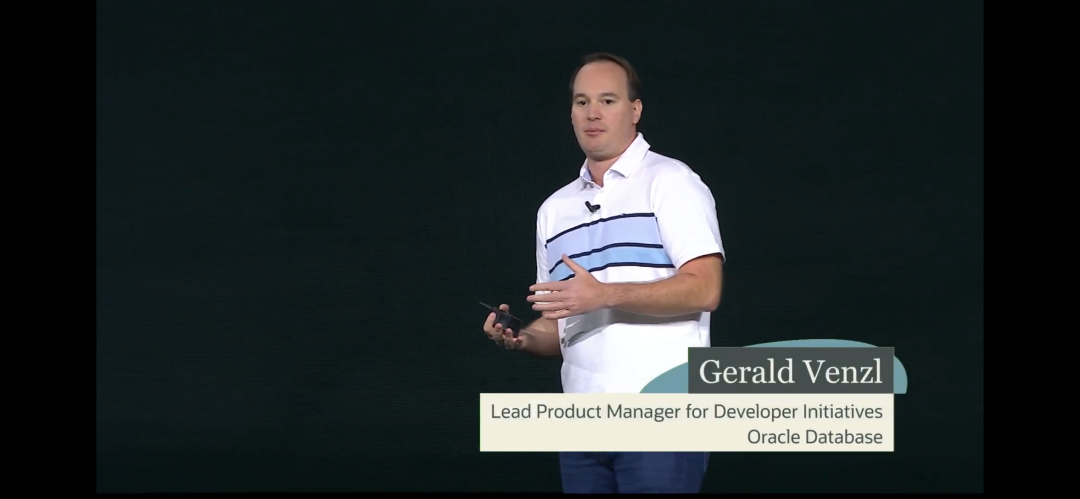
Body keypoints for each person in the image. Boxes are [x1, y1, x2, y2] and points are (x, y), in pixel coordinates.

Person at [481, 52, 726, 494]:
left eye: (607, 100)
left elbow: (705, 289)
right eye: (582, 102)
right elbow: (559, 327)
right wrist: (521, 338)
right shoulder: (554, 210)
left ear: (635, 110)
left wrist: (605, 295)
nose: (592, 113)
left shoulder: (671, 181)